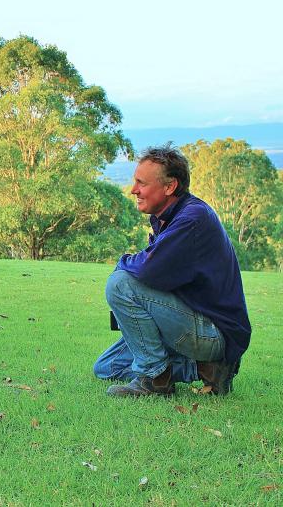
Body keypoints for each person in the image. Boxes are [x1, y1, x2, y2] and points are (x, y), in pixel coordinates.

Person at [94, 144, 251, 397]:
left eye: (141, 183)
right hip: (190, 321)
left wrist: (122, 262)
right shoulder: (168, 217)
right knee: (106, 367)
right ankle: (204, 369)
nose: (134, 190)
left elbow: (147, 270)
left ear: (169, 187)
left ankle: (156, 380)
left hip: (213, 332)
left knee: (120, 284)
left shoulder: (192, 219)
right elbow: (158, 278)